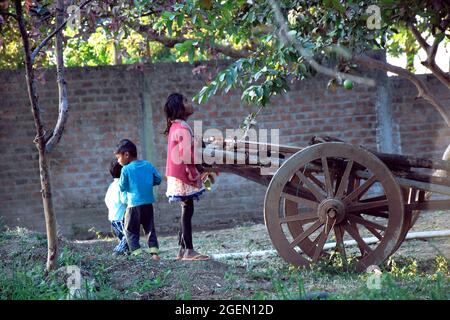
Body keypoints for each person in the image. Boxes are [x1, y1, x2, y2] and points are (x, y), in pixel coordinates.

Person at [164, 93, 211, 261]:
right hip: (182, 175)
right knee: (187, 210)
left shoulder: (176, 126)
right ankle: (189, 250)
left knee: (186, 209)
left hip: (177, 174)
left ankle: (182, 250)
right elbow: (186, 155)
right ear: (180, 107)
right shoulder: (182, 128)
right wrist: (202, 162)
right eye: (186, 101)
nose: (189, 103)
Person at [115, 139, 162, 261]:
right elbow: (158, 179)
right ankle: (154, 253)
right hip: (148, 204)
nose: (118, 161)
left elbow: (122, 187)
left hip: (133, 206)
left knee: (130, 230)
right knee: (150, 228)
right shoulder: (148, 165)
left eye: (118, 157)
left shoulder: (126, 169)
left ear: (126, 154)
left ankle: (138, 255)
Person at [104, 159, 128, 255]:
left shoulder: (112, 185)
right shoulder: (122, 185)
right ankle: (118, 251)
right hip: (121, 216)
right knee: (128, 236)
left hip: (113, 217)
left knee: (122, 237)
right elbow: (123, 200)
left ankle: (126, 253)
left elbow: (106, 200)